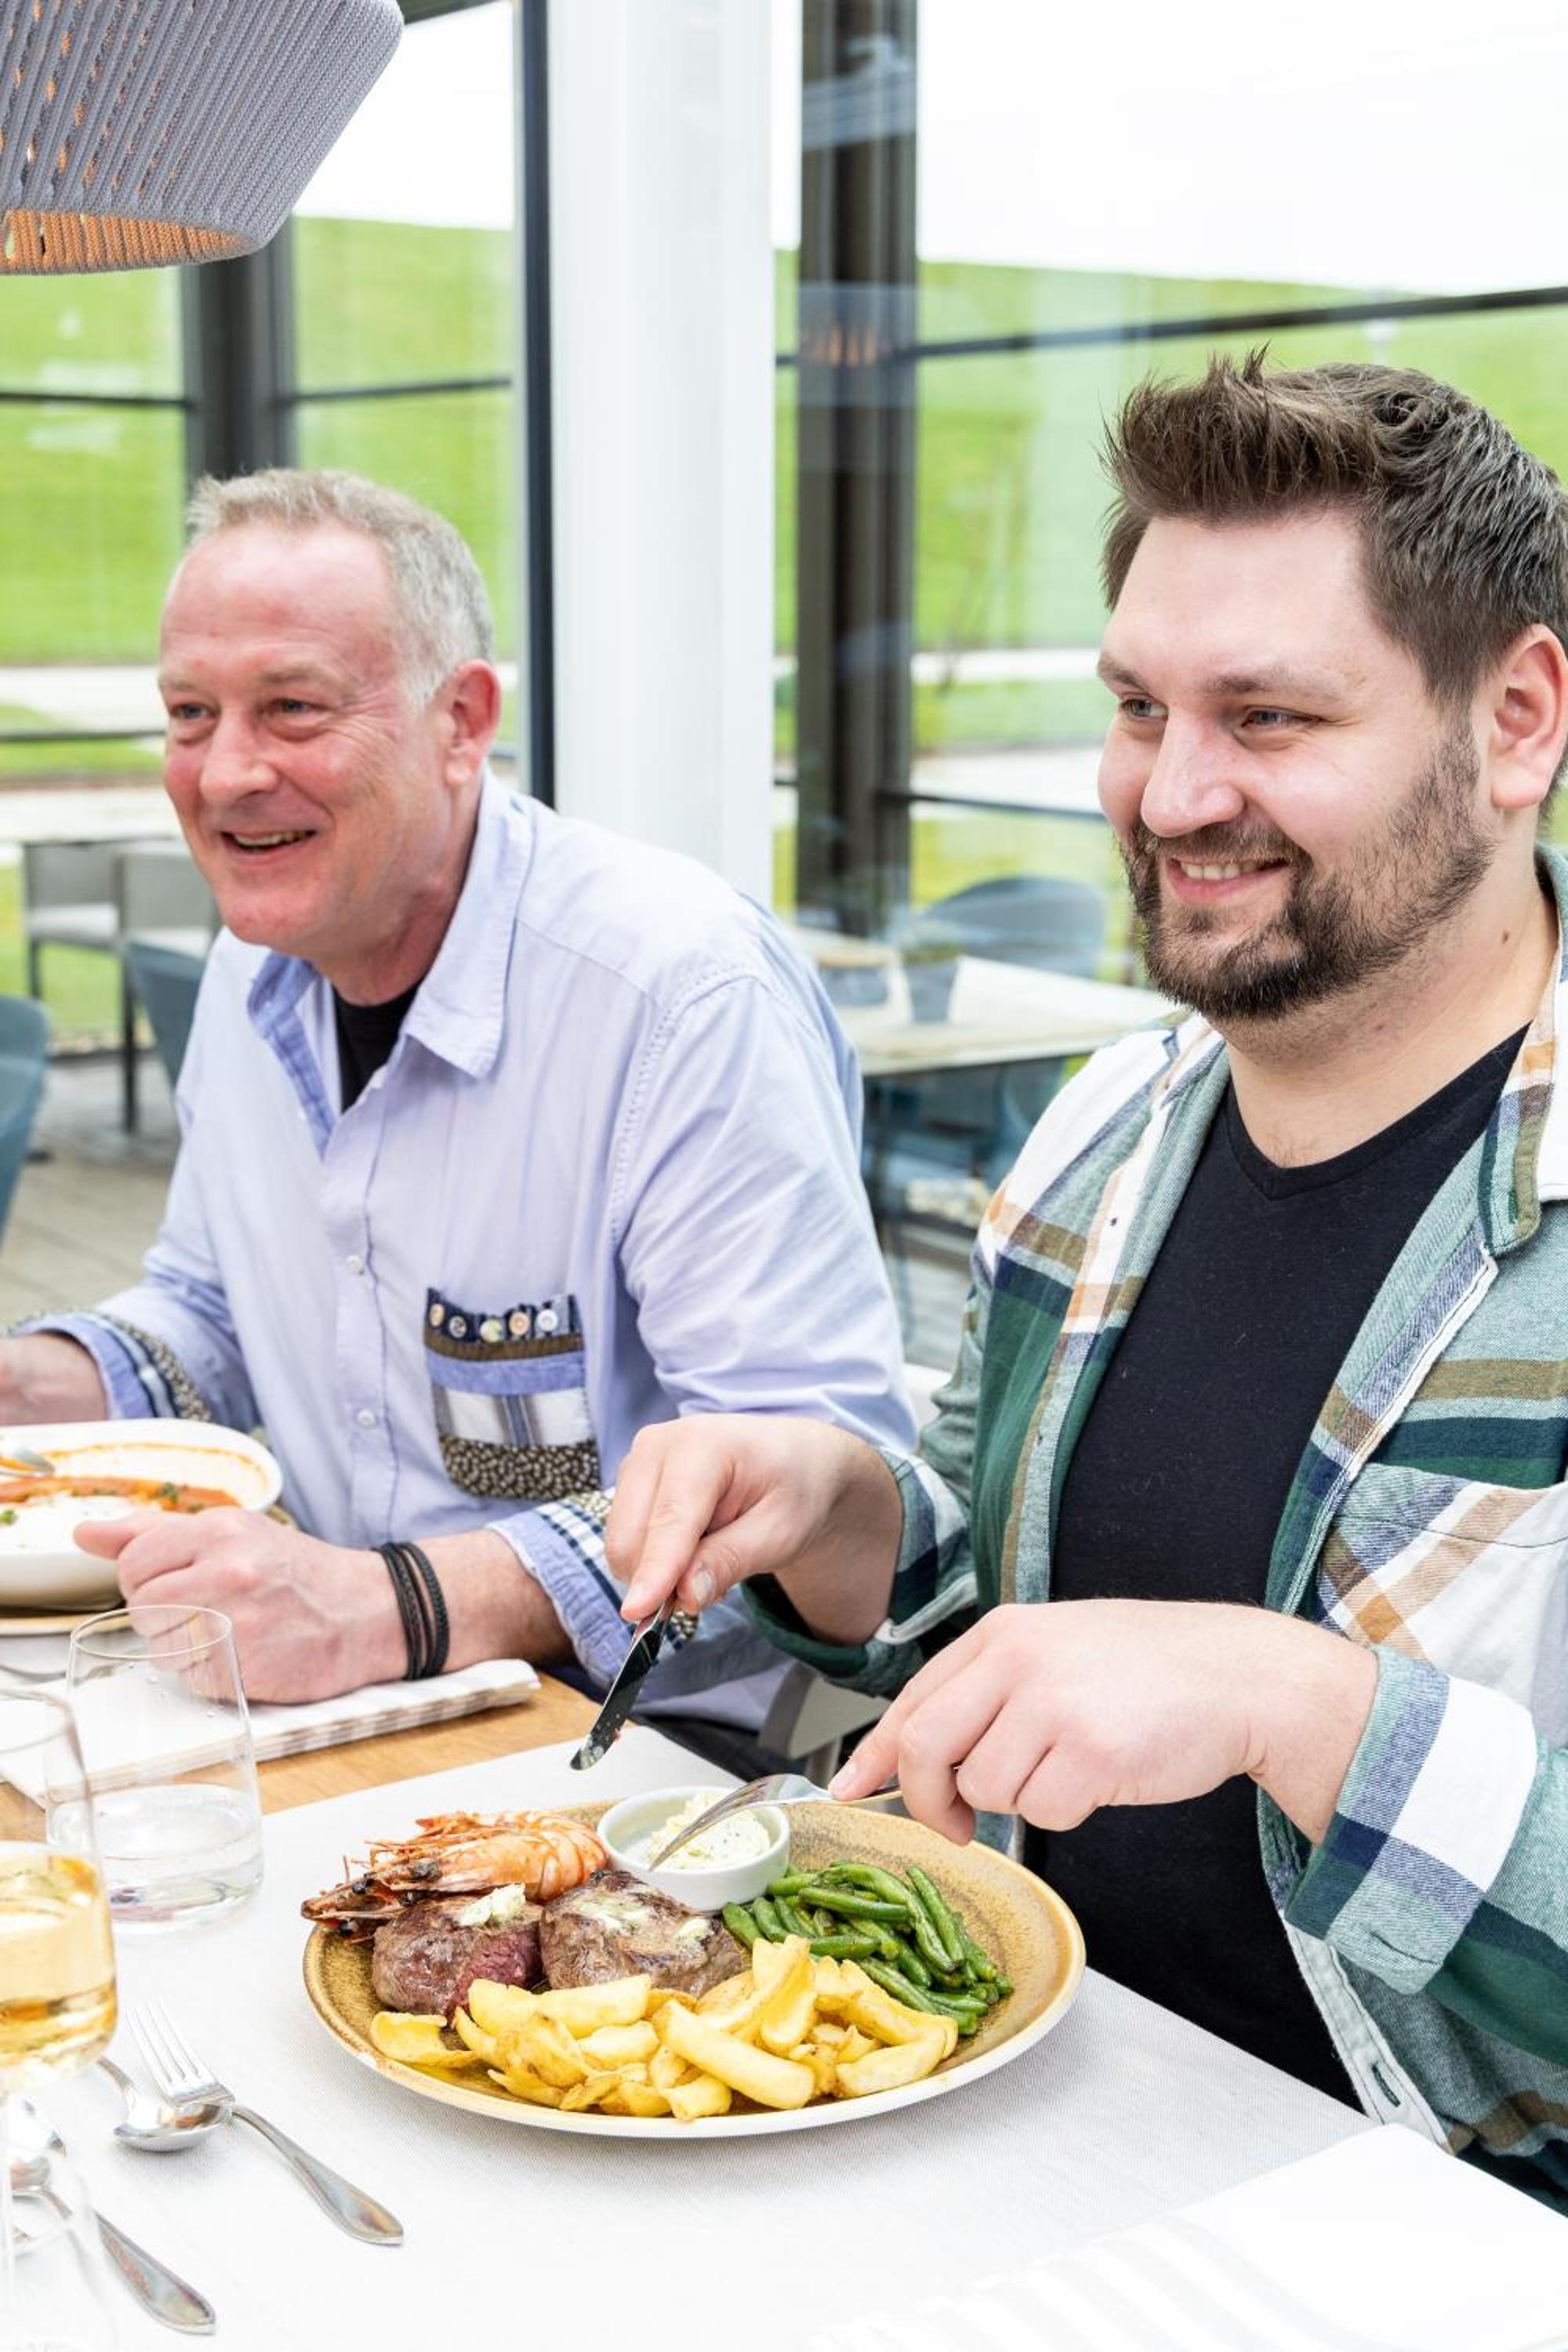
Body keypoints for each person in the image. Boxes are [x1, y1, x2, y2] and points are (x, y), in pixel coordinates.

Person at [605, 356, 1568, 2205]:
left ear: (1515, 719)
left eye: (1268, 715)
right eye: (1136, 706)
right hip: (1029, 2127)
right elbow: (988, 1630)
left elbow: (1229, 1695)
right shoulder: (1103, 1127)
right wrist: (835, 1511)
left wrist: (1300, 1708)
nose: (1171, 793)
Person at [1, 467, 913, 1743]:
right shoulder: (249, 974)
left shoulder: (678, 990)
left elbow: (807, 1482)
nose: (226, 773)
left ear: (462, 721)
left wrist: (388, 1608)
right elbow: (214, 1312)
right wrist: (26, 1389)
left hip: (649, 1748)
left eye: (293, 708)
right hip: (346, 1702)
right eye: (190, 714)